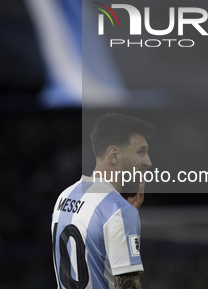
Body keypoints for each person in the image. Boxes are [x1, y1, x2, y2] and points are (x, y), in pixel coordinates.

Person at [51, 113, 154, 289]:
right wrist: (124, 216)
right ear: (113, 154)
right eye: (141, 152)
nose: (148, 162)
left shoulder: (64, 196)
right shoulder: (117, 211)